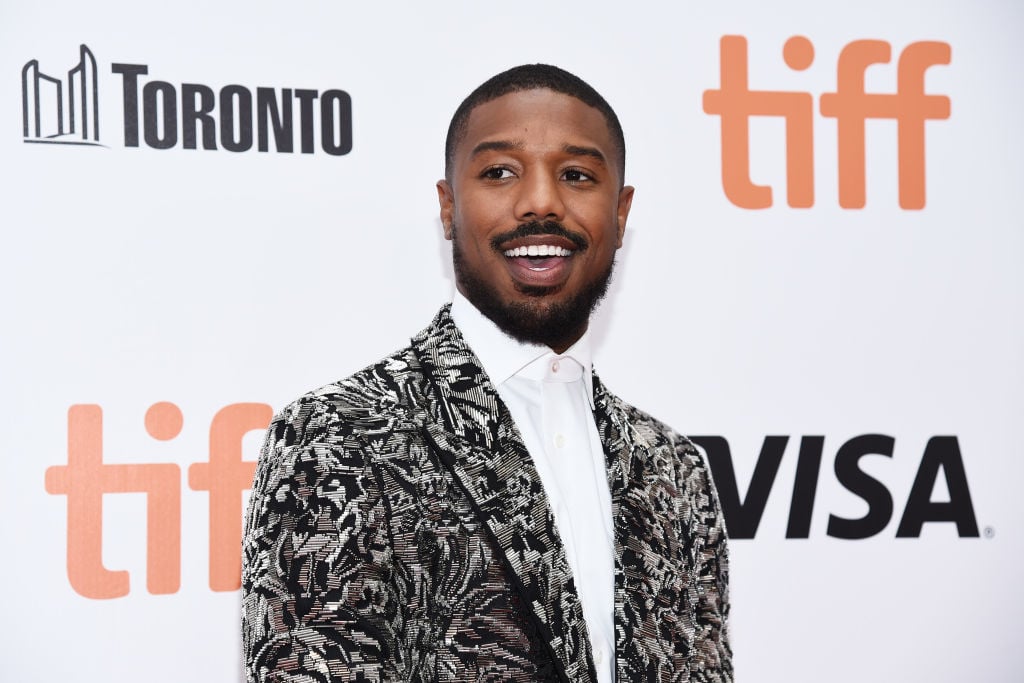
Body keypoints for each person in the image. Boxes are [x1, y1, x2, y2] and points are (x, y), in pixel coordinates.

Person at [242, 64, 732, 683]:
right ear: (448, 207)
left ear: (620, 211)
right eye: (500, 172)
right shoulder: (340, 437)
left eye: (577, 175)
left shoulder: (674, 469)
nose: (541, 203)